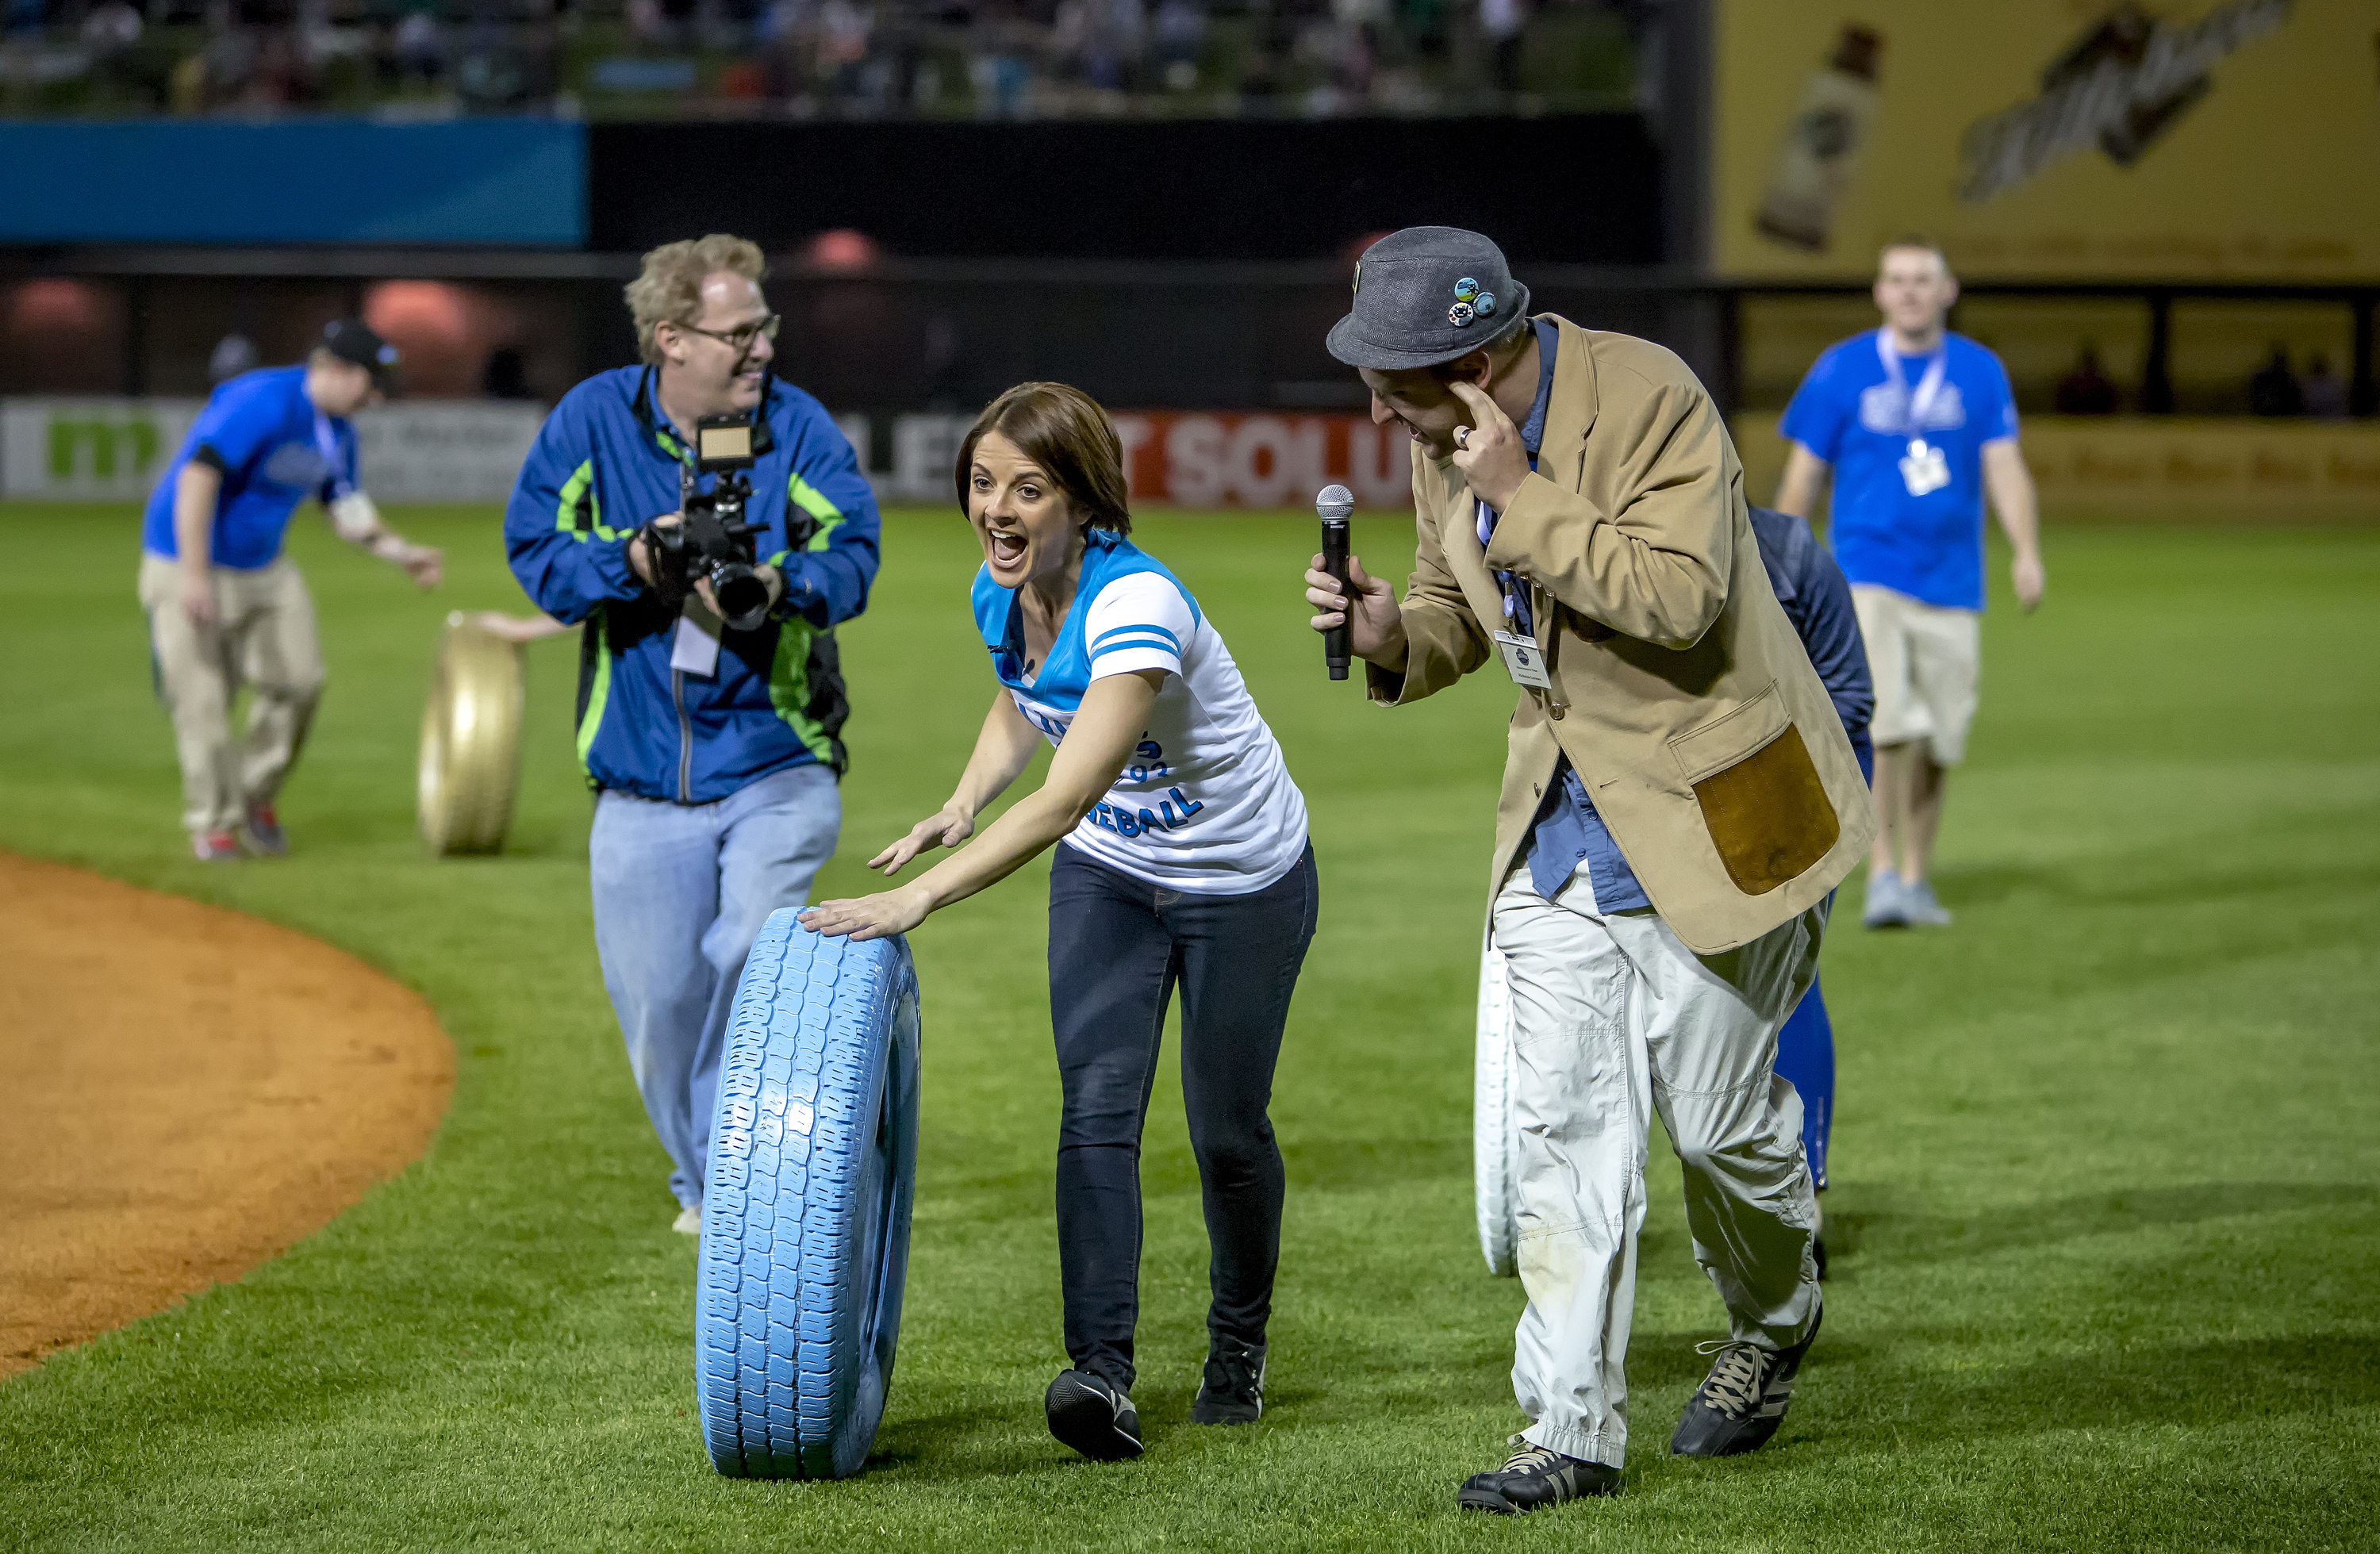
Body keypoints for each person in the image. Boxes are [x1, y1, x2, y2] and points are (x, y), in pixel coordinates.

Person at [1305, 226, 1872, 1512]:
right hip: (1556, 827)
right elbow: (1465, 611)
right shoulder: (1437, 435)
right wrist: (1401, 635)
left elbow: (1678, 598)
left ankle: (1777, 1317)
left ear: (1488, 354)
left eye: (1400, 380)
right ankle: (1567, 1428)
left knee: (1725, 1130)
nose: (1378, 405)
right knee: (1564, 1134)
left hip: (1723, 810)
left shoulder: (1655, 393)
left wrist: (1519, 487)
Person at [801, 382, 1316, 1464]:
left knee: (1226, 1132)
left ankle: (1238, 1350)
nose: (997, 507)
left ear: (1084, 501)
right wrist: (959, 798)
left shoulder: (1139, 608)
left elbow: (1066, 797)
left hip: (1240, 880)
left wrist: (921, 895)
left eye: (1027, 489)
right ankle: (1102, 1376)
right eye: (984, 483)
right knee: (1095, 1110)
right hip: (1113, 876)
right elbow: (1023, 701)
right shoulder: (1004, 589)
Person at [502, 234, 881, 1237]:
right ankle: (709, 1181)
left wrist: (779, 584)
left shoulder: (796, 428)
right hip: (636, 781)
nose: (762, 347)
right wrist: (631, 556)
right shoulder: (593, 419)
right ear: (670, 338)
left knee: (754, 947)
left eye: (766, 327)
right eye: (741, 330)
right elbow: (534, 549)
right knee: (661, 1013)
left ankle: (754, 1188)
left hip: (774, 761)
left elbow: (852, 551)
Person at [1776, 237, 2044, 930]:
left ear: (1948, 290)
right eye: (1897, 279)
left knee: (1940, 738)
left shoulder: (1980, 372)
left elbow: (2005, 466)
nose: (1910, 291)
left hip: (1954, 580)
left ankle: (1917, 876)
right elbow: (1805, 472)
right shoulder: (1843, 369)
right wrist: (1777, 560)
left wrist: (2026, 550)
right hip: (1868, 569)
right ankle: (1886, 874)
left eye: (1923, 279)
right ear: (1879, 292)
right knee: (1888, 725)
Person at [137, 320, 443, 861]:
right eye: (370, 385)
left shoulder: (338, 431)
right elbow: (196, 478)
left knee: (301, 682)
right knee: (204, 705)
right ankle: (213, 825)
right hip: (186, 560)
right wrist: (193, 575)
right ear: (336, 369)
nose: (375, 399)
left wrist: (401, 552)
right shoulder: (261, 401)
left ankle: (255, 795)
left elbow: (343, 506)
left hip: (264, 569)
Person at [1746, 504, 1874, 1274]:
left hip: (1805, 779)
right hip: (1668, 792)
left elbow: (1851, 700)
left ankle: (1804, 1199)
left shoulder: (1788, 552)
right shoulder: (1623, 541)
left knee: (1787, 981)